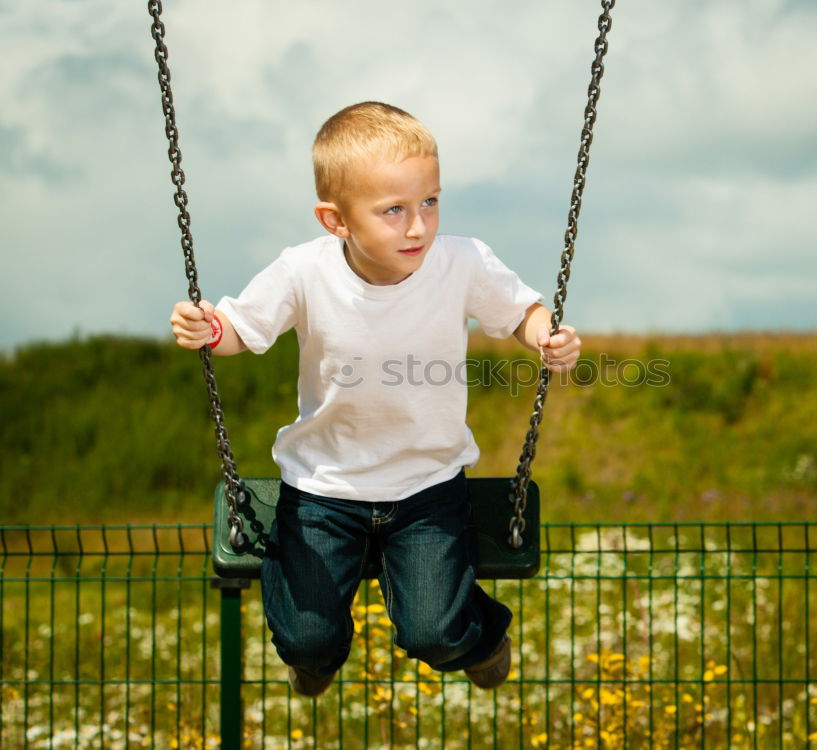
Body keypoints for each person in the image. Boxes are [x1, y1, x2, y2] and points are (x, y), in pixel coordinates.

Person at [170, 102, 581, 696]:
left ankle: (481, 634)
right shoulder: (302, 271)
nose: (417, 226)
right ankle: (313, 657)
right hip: (322, 487)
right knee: (308, 640)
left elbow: (520, 311)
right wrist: (206, 329)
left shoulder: (461, 262)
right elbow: (240, 329)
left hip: (426, 484)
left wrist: (546, 336)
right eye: (394, 211)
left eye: (430, 202)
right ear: (335, 220)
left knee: (435, 632)